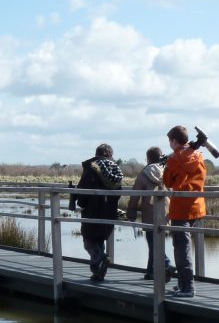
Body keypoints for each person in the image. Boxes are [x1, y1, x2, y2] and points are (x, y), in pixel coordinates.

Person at [163, 125, 207, 298]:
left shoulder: (174, 159)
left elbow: (167, 181)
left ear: (174, 141)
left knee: (181, 248)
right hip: (197, 206)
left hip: (181, 207)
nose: (169, 144)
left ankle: (187, 287)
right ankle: (182, 283)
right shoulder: (199, 156)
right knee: (185, 246)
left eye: (170, 141)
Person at [75, 143, 123, 281]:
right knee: (100, 240)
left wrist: (80, 203)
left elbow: (83, 190)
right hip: (109, 212)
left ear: (97, 154)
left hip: (92, 210)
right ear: (110, 155)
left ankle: (101, 258)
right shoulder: (115, 169)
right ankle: (98, 274)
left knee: (88, 241)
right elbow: (119, 192)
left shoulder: (92, 167)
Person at [126, 147, 174, 280]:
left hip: (150, 213)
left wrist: (131, 214)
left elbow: (135, 196)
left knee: (153, 243)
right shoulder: (167, 171)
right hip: (166, 212)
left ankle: (167, 264)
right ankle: (151, 272)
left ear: (147, 158)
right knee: (155, 242)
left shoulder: (144, 173)